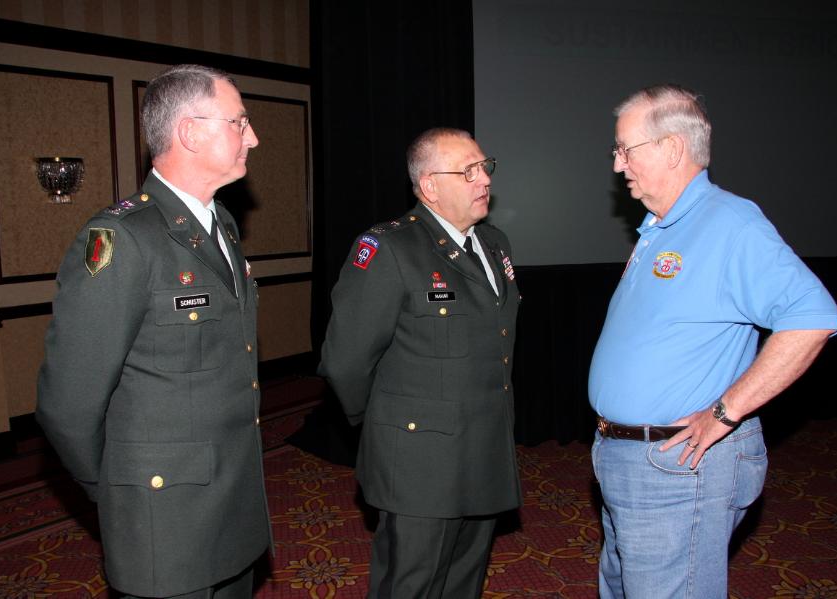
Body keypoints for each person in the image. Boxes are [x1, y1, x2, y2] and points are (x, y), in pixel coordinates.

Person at [588, 84, 837, 598]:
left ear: (672, 148)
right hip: (628, 459)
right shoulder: (659, 227)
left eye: (626, 150)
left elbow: (812, 318)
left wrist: (726, 412)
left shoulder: (729, 222)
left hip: (676, 467)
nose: (617, 165)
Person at [36, 64, 269, 599]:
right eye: (239, 122)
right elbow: (68, 404)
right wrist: (121, 489)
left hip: (231, 498)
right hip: (163, 516)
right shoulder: (122, 239)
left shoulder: (222, 225)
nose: (252, 137)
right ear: (190, 132)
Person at [319, 127, 521, 598]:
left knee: (463, 583)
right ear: (429, 186)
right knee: (409, 587)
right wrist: (384, 427)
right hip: (419, 464)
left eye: (485, 167)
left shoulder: (495, 243)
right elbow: (345, 360)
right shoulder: (390, 248)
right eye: (468, 171)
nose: (484, 179)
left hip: (484, 450)